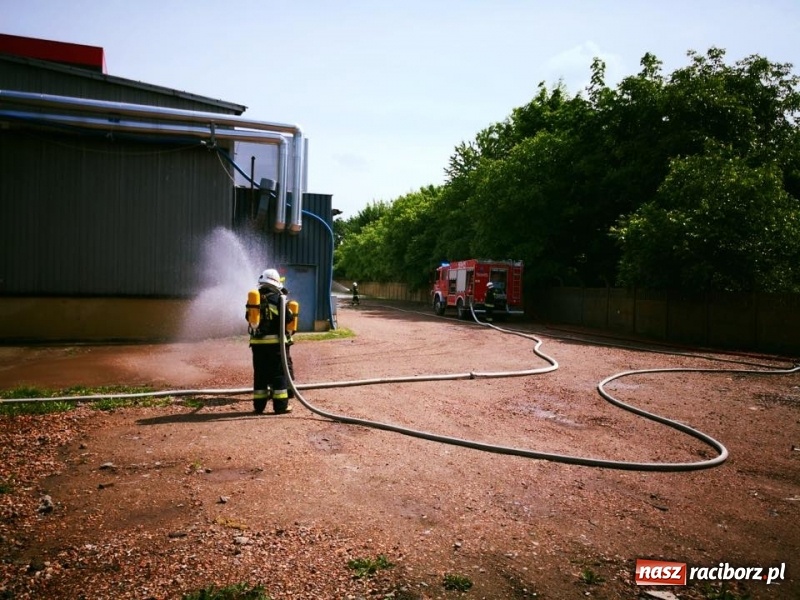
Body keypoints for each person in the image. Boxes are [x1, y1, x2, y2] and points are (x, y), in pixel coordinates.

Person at [246, 268, 296, 414]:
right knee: (278, 374)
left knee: (260, 374)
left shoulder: (255, 299)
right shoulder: (278, 299)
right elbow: (288, 319)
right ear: (276, 283)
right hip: (275, 345)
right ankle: (281, 406)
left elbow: (248, 318)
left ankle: (259, 406)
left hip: (257, 345)